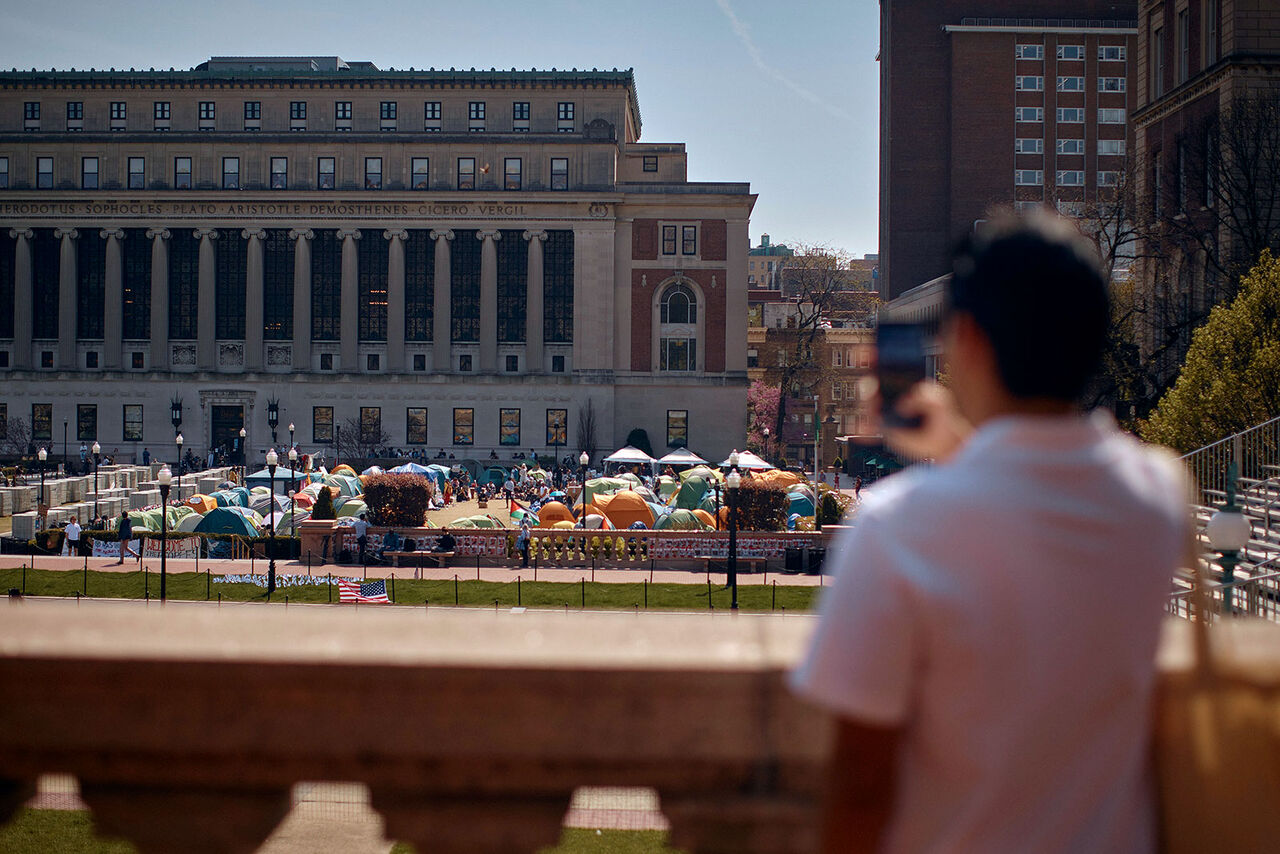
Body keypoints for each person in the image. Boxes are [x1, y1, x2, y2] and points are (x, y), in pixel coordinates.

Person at [791, 211, 1190, 854]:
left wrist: (960, 453)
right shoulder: (1159, 497)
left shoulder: (898, 528)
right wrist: (963, 447)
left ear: (969, 340)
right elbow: (1040, 497)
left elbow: (862, 786)